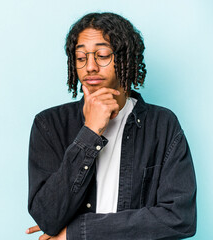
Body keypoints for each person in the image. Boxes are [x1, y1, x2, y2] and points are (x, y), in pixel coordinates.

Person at [25, 12, 197, 240]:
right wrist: (89, 133)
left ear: (126, 58)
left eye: (102, 54)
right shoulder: (49, 124)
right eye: (80, 57)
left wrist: (77, 232)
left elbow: (180, 218)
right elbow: (46, 216)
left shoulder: (162, 125)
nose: (90, 66)